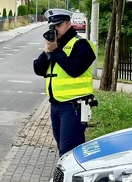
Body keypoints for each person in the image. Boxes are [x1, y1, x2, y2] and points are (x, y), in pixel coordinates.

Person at [33, 9, 96, 157]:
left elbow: (74, 69)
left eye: (59, 25)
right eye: (52, 26)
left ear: (69, 23)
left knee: (69, 152)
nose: (55, 29)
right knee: (63, 148)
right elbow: (38, 69)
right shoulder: (55, 46)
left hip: (74, 107)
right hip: (56, 106)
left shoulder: (81, 45)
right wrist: (47, 52)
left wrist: (56, 51)